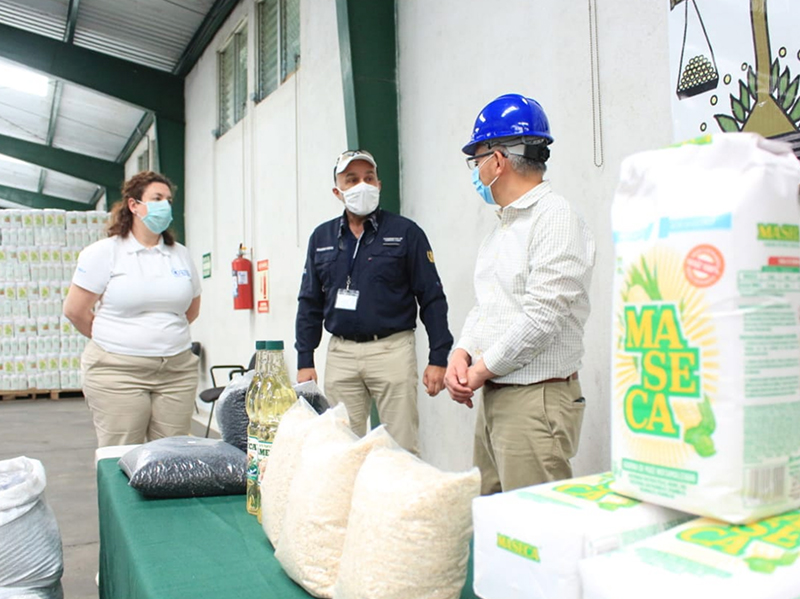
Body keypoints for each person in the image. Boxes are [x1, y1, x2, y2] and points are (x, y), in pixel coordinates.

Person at [445, 94, 596, 495]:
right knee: (495, 519)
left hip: (534, 401)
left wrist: (479, 370)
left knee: (536, 524)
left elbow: (541, 318)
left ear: (498, 160)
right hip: (497, 394)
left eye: (477, 159)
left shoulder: (555, 218)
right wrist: (462, 352)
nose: (476, 171)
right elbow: (488, 307)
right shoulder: (503, 229)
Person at [295, 149, 453, 455]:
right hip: (341, 354)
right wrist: (305, 360)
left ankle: (400, 489)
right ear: (337, 191)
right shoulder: (321, 238)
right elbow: (309, 302)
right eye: (351, 180)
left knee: (400, 449)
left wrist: (439, 357)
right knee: (340, 448)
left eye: (369, 178)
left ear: (379, 185)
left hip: (392, 350)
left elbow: (432, 297)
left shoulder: (406, 233)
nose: (362, 186)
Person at [63, 171, 202, 447]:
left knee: (173, 456)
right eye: (157, 198)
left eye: (168, 200)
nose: (165, 205)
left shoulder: (180, 254)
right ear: (134, 205)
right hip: (118, 371)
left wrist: (160, 335)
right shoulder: (105, 252)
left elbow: (191, 310)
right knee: (122, 451)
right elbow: (75, 310)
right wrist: (118, 336)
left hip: (176, 370)